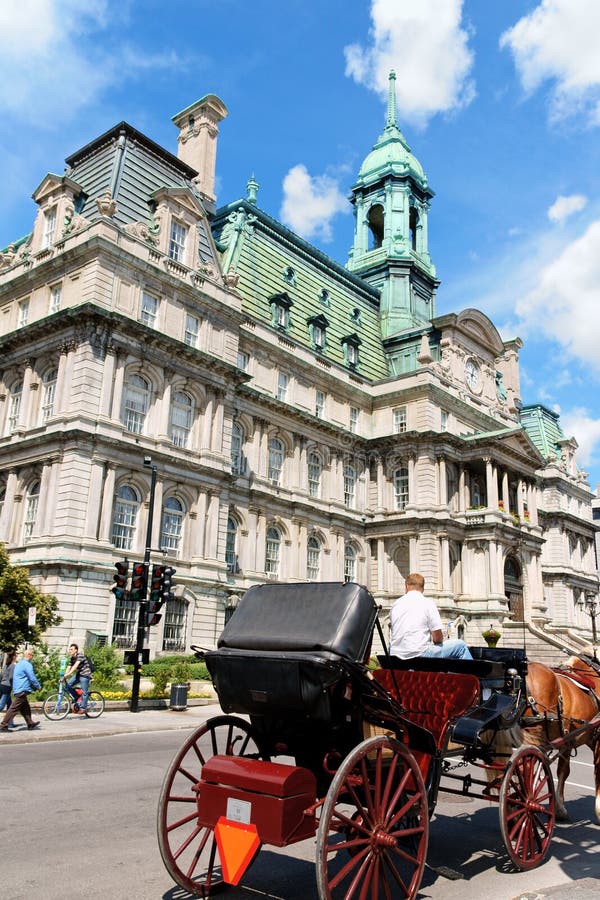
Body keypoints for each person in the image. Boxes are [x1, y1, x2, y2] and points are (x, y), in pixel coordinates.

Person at [390, 573, 472, 660]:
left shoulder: (395, 605)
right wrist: (439, 640)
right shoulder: (427, 603)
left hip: (395, 655)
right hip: (419, 654)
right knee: (461, 646)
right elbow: (437, 638)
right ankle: (473, 673)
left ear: (406, 586)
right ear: (422, 588)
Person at [0, 648, 40, 731]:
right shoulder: (27, 664)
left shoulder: (19, 664)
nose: (32, 657)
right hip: (22, 689)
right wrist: (38, 686)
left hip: (18, 689)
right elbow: (32, 677)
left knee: (25, 707)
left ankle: (30, 723)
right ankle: (3, 725)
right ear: (29, 655)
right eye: (32, 655)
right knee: (13, 708)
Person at [63, 643, 92, 715]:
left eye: (71, 649)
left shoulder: (80, 655)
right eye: (69, 649)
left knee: (84, 692)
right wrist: (64, 676)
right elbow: (69, 667)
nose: (70, 651)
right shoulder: (72, 658)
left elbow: (75, 666)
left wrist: (68, 674)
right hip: (79, 674)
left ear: (76, 650)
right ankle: (76, 696)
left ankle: (83, 708)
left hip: (85, 675)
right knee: (67, 685)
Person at [0, 649, 17, 714]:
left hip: (2, 685)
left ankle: (10, 723)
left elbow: (1, 675)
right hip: (7, 687)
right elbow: (11, 677)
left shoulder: (6, 665)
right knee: (1, 706)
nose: (16, 657)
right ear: (13, 657)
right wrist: (14, 688)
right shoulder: (13, 666)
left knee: (10, 705)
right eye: (16, 655)